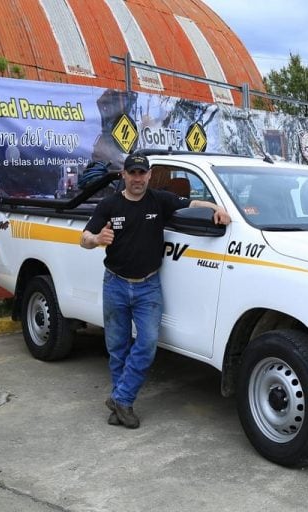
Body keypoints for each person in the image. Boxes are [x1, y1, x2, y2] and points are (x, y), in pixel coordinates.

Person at [80, 153, 231, 428]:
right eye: (133, 173)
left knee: (147, 344)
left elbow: (193, 202)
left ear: (149, 176)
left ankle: (121, 398)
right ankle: (122, 402)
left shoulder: (159, 199)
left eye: (142, 173)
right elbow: (84, 238)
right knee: (117, 348)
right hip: (114, 283)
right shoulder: (109, 205)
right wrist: (97, 238)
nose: (138, 179)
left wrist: (216, 208)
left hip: (148, 287)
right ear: (123, 175)